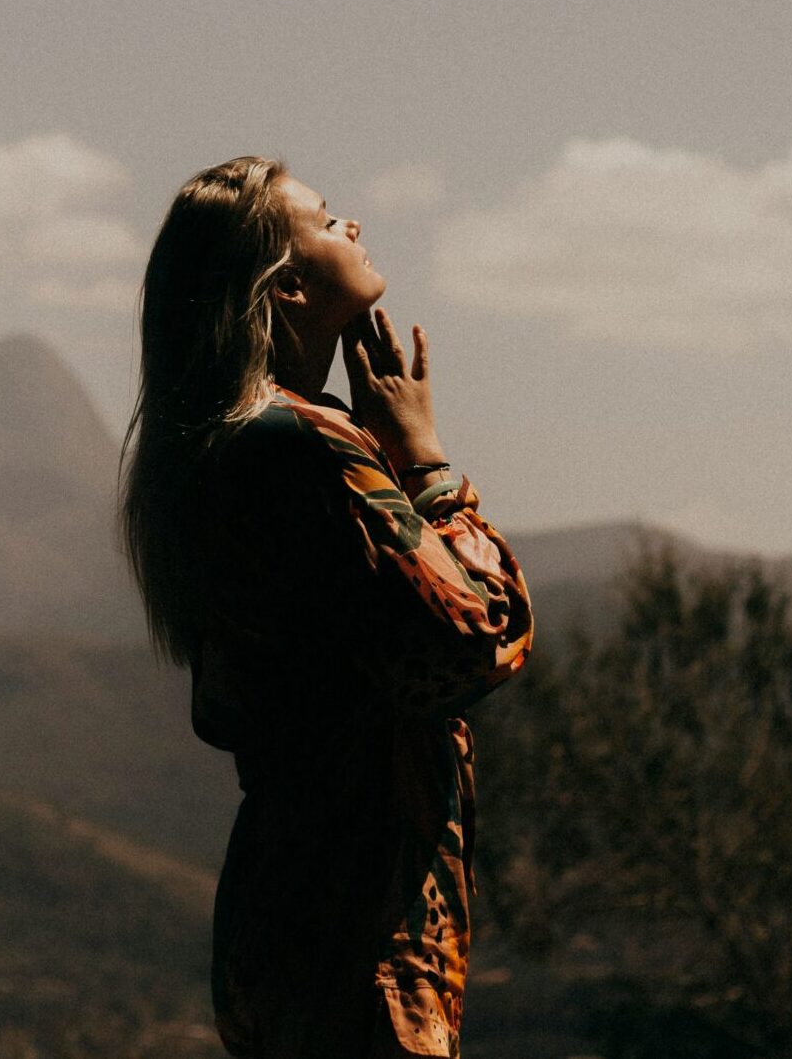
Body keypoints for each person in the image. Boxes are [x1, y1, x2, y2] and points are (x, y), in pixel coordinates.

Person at [120, 155, 534, 1058]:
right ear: (288, 285)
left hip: (287, 912)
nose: (351, 224)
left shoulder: (222, 454)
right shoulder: (302, 446)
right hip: (359, 922)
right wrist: (426, 464)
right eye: (325, 218)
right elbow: (478, 639)